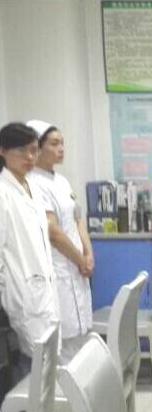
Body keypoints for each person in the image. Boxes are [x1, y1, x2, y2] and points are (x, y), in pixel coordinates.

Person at [26, 120, 93, 362]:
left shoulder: (62, 181)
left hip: (77, 266)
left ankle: (83, 382)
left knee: (82, 333)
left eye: (62, 143)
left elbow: (77, 218)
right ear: (37, 147)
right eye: (54, 144)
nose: (61, 148)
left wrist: (89, 253)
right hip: (61, 268)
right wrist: (80, 260)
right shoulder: (34, 183)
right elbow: (53, 233)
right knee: (65, 341)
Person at [0, 123, 59, 384]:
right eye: (22, 151)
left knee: (46, 363)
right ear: (3, 151)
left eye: (34, 150)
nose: (30, 157)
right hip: (23, 295)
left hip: (43, 289)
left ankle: (45, 411)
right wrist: (11, 291)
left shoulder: (31, 186)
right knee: (30, 367)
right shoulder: (3, 193)